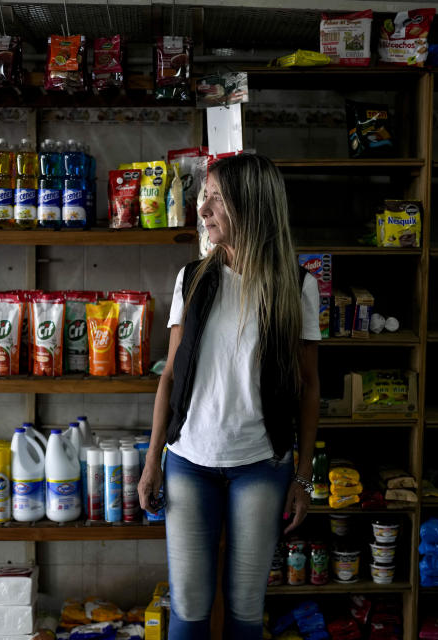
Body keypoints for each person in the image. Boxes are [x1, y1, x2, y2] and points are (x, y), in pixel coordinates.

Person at [138, 153, 321, 640]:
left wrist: (303, 476)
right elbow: (171, 377)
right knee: (189, 611)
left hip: (261, 464)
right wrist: (152, 458)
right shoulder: (192, 278)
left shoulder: (296, 287)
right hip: (189, 461)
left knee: (244, 612)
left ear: (252, 205)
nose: (204, 210)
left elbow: (309, 387)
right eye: (206, 198)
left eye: (217, 199)